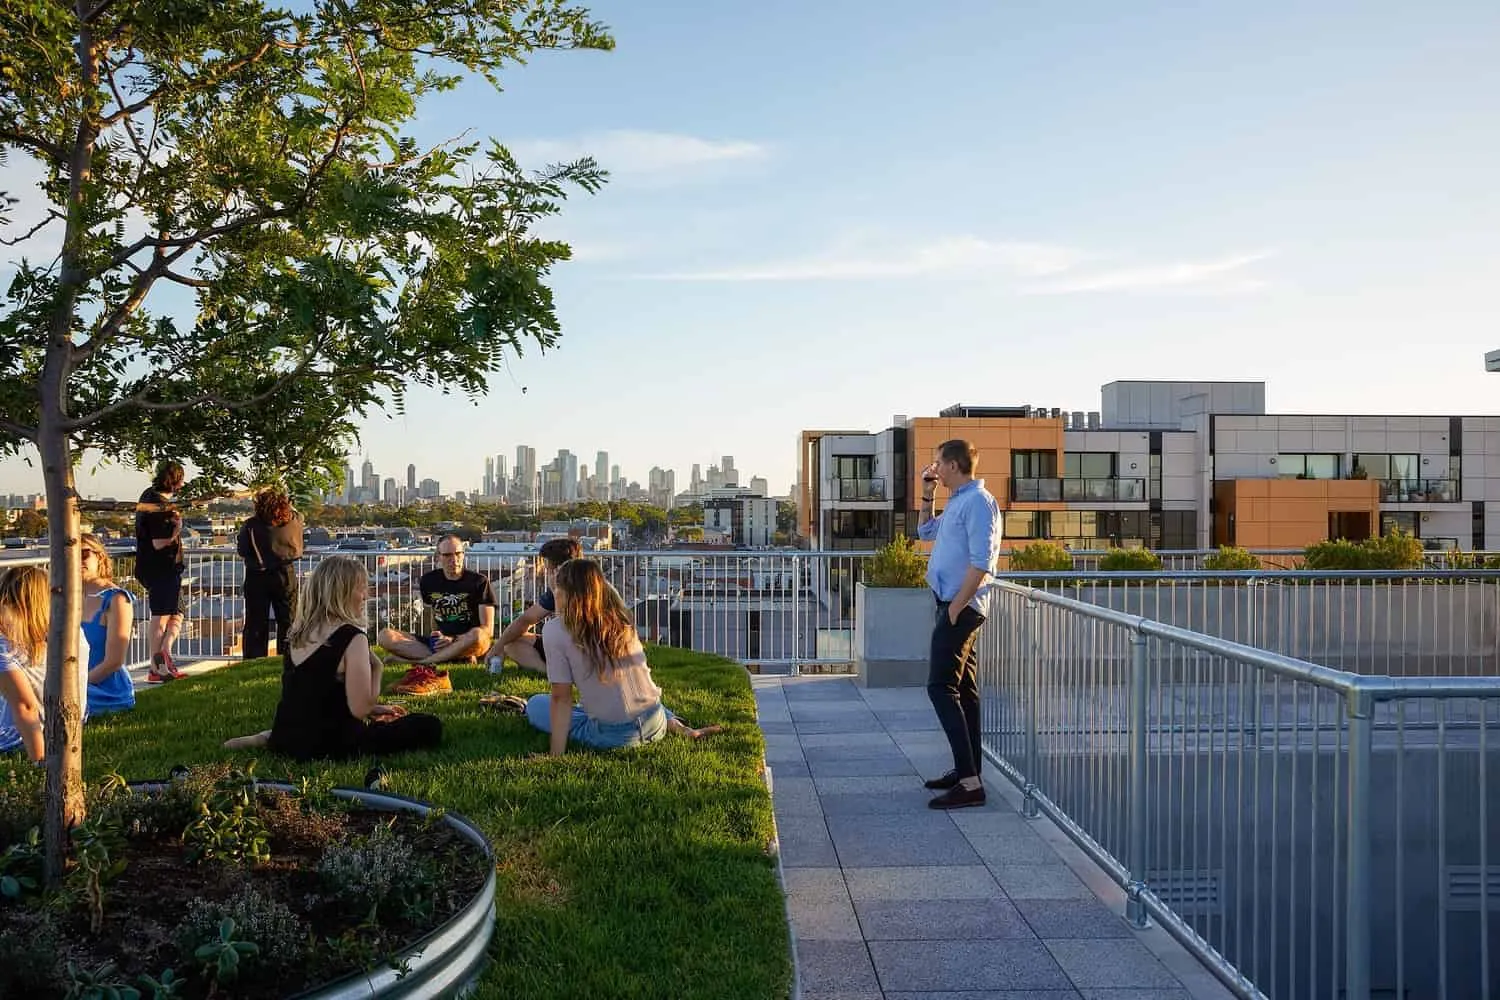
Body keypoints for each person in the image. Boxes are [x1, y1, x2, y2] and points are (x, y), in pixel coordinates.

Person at [223, 555, 441, 760]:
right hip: (335, 744)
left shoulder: (297, 633)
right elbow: (360, 710)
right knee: (428, 725)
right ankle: (269, 736)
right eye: (361, 589)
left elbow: (314, 692)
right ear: (342, 593)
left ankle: (267, 736)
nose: (365, 596)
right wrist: (377, 669)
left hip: (288, 740)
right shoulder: (352, 638)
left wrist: (375, 709)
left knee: (304, 723)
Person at [524, 558, 720, 755]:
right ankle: (683, 729)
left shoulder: (555, 630)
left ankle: (581, 730)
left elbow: (561, 698)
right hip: (656, 720)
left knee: (535, 704)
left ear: (562, 591)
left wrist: (555, 755)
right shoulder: (620, 617)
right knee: (636, 692)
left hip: (617, 736)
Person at [916, 439, 1002, 810]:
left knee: (940, 687)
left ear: (952, 465)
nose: (934, 469)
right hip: (951, 604)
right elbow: (924, 533)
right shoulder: (959, 500)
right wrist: (926, 495)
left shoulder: (979, 503)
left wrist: (956, 607)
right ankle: (969, 772)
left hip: (961, 608)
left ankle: (969, 784)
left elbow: (982, 563)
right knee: (964, 691)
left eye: (938, 464)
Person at [379, 534, 497, 695]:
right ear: (438, 557)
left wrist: (455, 640)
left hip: (469, 642)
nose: (453, 559)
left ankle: (423, 661)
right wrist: (435, 636)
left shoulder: (478, 582)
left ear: (463, 554)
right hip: (439, 643)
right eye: (447, 555)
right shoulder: (428, 581)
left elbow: (488, 630)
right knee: (385, 636)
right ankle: (454, 657)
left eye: (458, 554)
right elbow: (430, 615)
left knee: (477, 634)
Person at [0, 566, 88, 761]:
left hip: (19, 737)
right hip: (71, 725)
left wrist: (41, 762)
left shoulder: (6, 645)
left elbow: (26, 708)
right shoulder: (73, 634)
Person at [236, 488, 304, 659]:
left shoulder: (252, 525)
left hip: (257, 575)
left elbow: (243, 549)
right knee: (288, 619)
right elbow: (298, 514)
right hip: (285, 573)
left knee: (256, 622)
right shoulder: (294, 521)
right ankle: (289, 657)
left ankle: (254, 658)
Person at [134, 459, 187, 682]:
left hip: (163, 568)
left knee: (177, 613)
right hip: (161, 568)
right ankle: (156, 669)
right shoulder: (158, 506)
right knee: (161, 618)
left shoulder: (149, 496)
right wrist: (176, 530)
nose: (183, 485)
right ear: (173, 481)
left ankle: (163, 657)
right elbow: (158, 542)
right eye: (181, 480)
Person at [497, 537, 581, 672]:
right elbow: (525, 620)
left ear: (559, 570)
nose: (545, 572)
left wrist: (556, 592)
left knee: (550, 630)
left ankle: (558, 674)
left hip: (582, 648)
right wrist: (497, 647)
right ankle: (548, 672)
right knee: (511, 642)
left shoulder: (587, 589)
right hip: (565, 647)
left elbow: (564, 630)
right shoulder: (555, 590)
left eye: (547, 568)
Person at [80, 533, 135, 716]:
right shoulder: (62, 599)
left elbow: (114, 661)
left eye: (84, 554)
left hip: (104, 689)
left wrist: (78, 686)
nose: (78, 560)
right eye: (71, 555)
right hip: (74, 686)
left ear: (100, 557)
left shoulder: (116, 599)